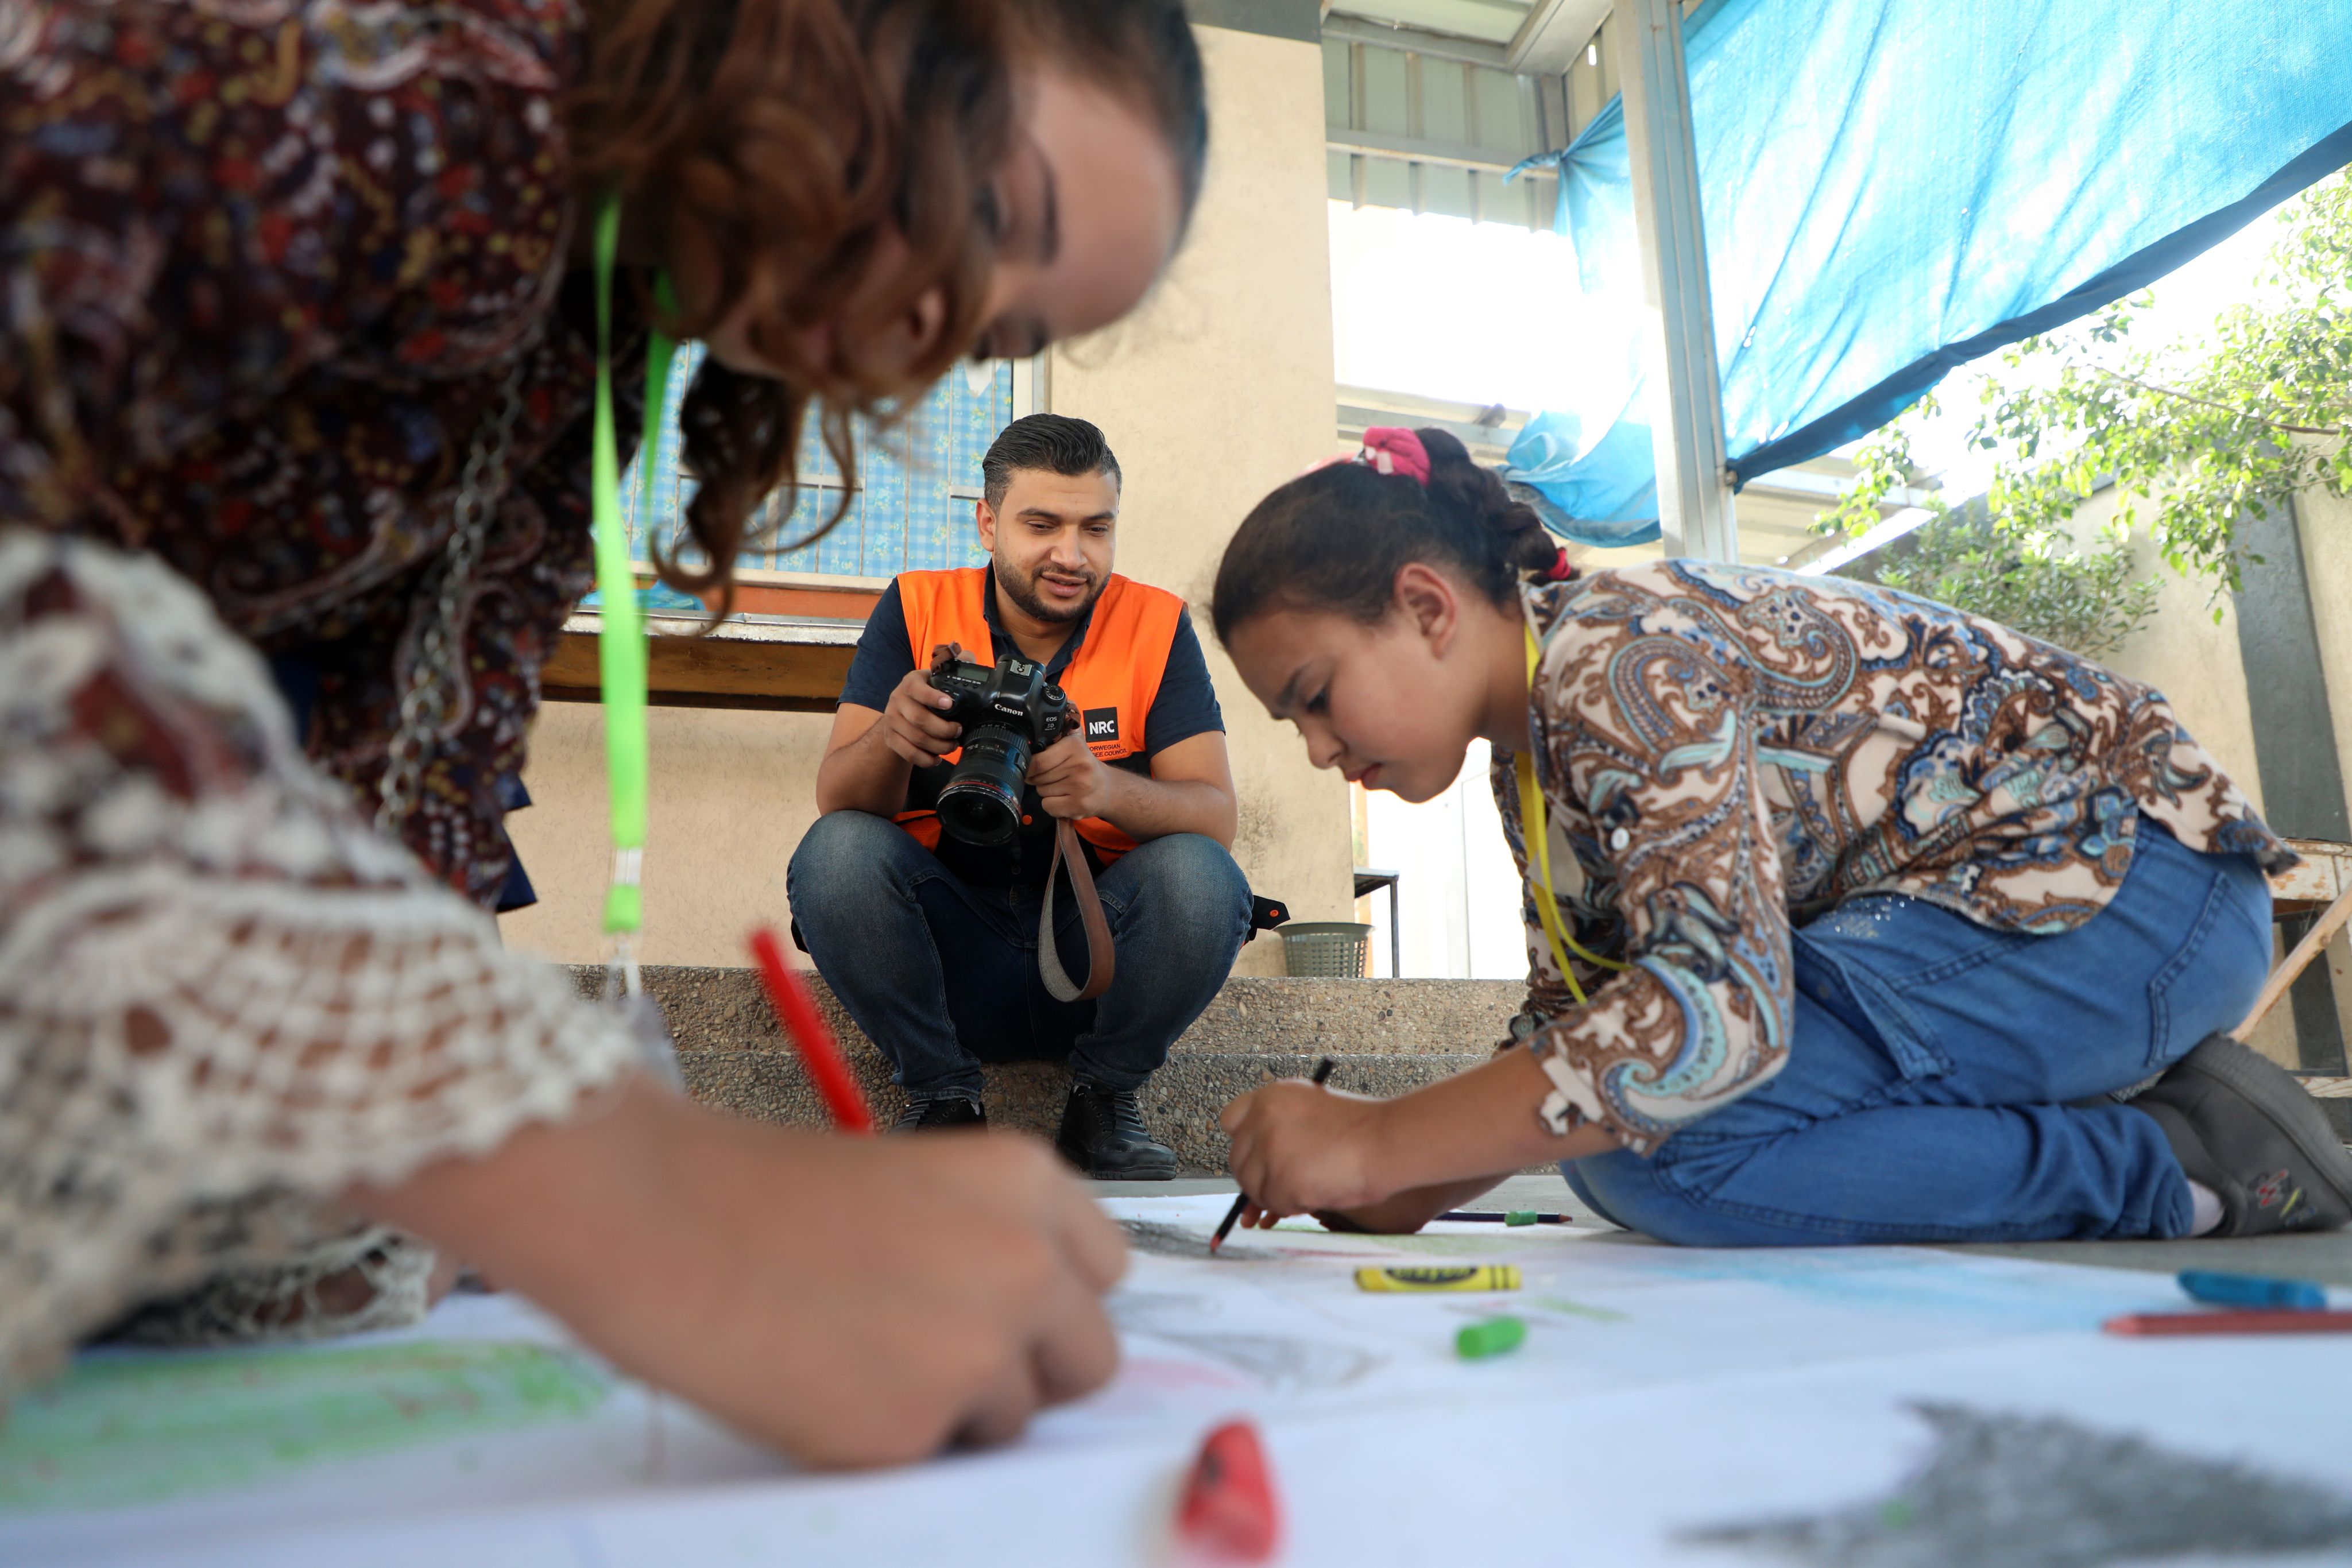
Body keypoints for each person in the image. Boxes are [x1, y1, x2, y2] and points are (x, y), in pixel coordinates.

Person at [1, 0, 1209, 1466]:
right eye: (986, 209)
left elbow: (420, 781)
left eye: (997, 332)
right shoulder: (390, 85)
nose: (930, 328)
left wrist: (413, 1176)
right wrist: (609, 1187)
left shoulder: (590, 325)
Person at [1205, 425, 2352, 1248]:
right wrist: (1415, 1177)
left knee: (1659, 1147)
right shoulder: (1533, 760)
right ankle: (2143, 1123)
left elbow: (1712, 1014)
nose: (1314, 747)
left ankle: (2180, 1165)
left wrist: (1377, 1142)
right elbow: (1584, 1022)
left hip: (2137, 887)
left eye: (1312, 695)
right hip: (2047, 913)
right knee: (1640, 1134)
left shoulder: (1616, 658)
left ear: (1423, 607)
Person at [794, 413, 1250, 1176]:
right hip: (946, 957)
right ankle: (943, 1099)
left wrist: (1104, 788)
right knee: (836, 854)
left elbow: (1216, 816)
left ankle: (1105, 1103)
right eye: (1042, 524)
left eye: (1095, 529)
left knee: (1205, 878)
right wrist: (892, 736)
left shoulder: (1155, 623)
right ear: (987, 522)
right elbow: (837, 799)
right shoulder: (916, 607)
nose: (1071, 555)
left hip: (1093, 959)